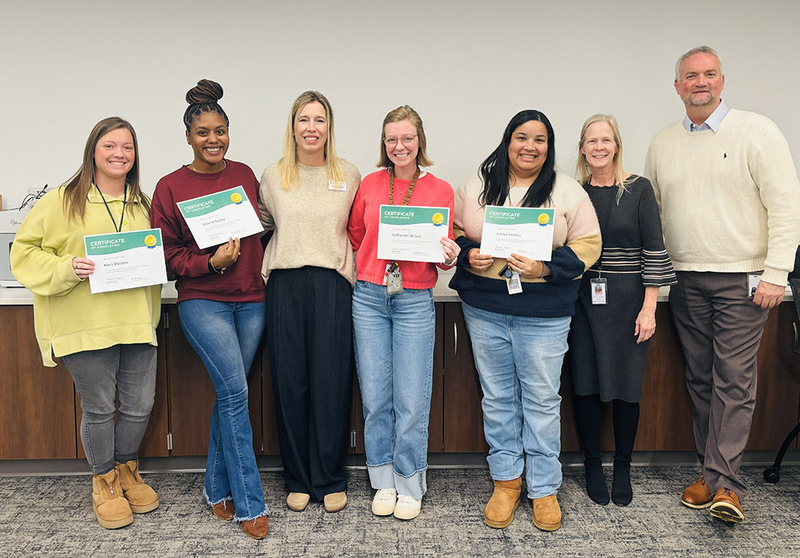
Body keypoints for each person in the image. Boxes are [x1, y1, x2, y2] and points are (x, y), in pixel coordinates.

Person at [645, 46, 800, 523]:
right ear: (677, 87)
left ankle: (728, 485)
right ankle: (710, 474)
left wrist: (777, 273)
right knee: (699, 378)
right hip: (685, 279)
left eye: (709, 74)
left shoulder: (758, 131)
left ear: (722, 81)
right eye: (690, 76)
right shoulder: (663, 142)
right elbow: (652, 215)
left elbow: (786, 206)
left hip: (745, 281)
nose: (700, 82)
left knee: (733, 379)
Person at [449, 110, 601, 531]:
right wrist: (468, 254)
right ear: (507, 141)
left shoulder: (567, 191)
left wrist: (545, 269)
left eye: (539, 139)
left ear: (549, 147)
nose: (529, 146)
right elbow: (456, 232)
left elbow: (590, 245)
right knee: (497, 398)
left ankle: (544, 488)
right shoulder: (476, 186)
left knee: (541, 401)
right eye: (521, 137)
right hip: (485, 310)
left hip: (544, 315)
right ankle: (506, 482)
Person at [11, 117, 161, 529]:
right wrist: (65, 267)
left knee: (139, 405)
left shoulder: (143, 202)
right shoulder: (62, 200)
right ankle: (104, 481)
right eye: (110, 145)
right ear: (93, 150)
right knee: (98, 408)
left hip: (135, 322)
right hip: (84, 323)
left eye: (127, 147)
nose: (119, 154)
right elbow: (23, 252)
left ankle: (127, 469)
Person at [150, 80, 269, 539]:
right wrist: (209, 262)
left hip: (252, 302)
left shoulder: (244, 174)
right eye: (203, 132)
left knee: (230, 394)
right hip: (204, 302)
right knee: (237, 395)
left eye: (220, 130)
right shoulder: (170, 186)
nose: (213, 139)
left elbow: (261, 231)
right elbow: (164, 255)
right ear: (188, 136)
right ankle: (250, 504)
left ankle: (215, 487)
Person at [348, 105, 459, 520]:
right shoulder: (370, 183)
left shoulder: (441, 190)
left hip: (414, 299)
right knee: (376, 397)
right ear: (384, 143)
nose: (400, 146)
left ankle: (409, 480)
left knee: (411, 398)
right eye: (392, 139)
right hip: (370, 297)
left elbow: (444, 254)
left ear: (419, 141)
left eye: (407, 138)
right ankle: (382, 480)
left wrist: (449, 255)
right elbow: (357, 235)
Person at [260, 91, 361, 513]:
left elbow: (362, 229)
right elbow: (262, 227)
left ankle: (330, 477)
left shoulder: (350, 174)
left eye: (320, 120)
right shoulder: (273, 175)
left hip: (332, 286)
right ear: (293, 126)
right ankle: (299, 478)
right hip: (284, 285)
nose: (312, 128)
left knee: (331, 382)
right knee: (290, 384)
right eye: (304, 120)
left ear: (329, 127)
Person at [568, 114, 676, 507]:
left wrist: (649, 309)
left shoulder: (639, 189)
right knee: (586, 384)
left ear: (616, 146)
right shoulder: (574, 193)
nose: (599, 147)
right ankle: (593, 465)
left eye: (606, 140)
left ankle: (624, 466)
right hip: (583, 301)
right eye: (591, 141)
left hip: (631, 301)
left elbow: (655, 250)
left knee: (628, 387)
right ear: (582, 148)